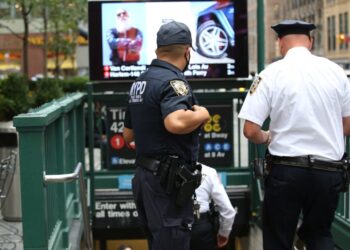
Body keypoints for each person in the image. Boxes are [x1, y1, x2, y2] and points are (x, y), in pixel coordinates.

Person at [238, 19, 350, 250]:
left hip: (286, 171)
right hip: (328, 171)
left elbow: (250, 130)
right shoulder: (337, 72)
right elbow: (347, 125)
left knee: (278, 239)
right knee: (320, 235)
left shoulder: (269, 74)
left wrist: (268, 137)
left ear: (280, 43)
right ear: (311, 41)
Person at [122, 21, 210, 250]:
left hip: (144, 179)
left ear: (157, 51)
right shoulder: (174, 81)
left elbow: (127, 135)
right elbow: (175, 122)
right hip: (166, 183)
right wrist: (203, 114)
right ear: (187, 51)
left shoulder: (139, 82)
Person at [190, 163, 236, 250]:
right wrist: (223, 234)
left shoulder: (161, 169)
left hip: (169, 229)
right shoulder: (208, 172)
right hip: (200, 229)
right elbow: (228, 211)